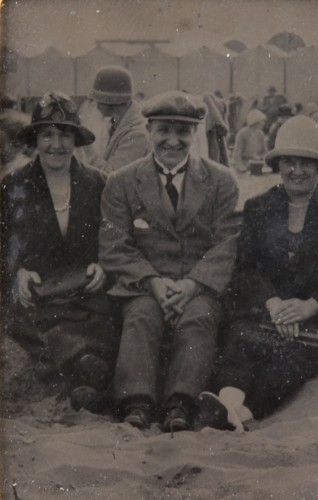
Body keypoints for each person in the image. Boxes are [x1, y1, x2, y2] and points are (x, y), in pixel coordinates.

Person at [99, 90, 240, 432]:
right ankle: (137, 402)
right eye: (164, 130)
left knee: (200, 318)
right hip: (145, 286)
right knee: (141, 316)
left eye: (183, 132)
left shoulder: (221, 180)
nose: (172, 141)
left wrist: (193, 284)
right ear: (148, 131)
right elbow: (114, 244)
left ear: (195, 135)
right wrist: (153, 282)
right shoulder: (121, 182)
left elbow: (228, 242)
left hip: (199, 286)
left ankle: (181, 402)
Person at [212, 115, 318, 422]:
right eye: (289, 162)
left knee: (290, 361)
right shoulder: (258, 206)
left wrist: (311, 306)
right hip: (268, 312)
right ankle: (227, 402)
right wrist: (274, 304)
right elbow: (246, 269)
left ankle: (246, 413)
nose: (296, 171)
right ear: (278, 164)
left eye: (306, 163)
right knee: (239, 341)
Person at [1, 91, 120, 413]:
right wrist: (17, 274)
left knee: (107, 315)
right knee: (32, 323)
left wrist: (104, 265)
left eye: (65, 134)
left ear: (76, 139)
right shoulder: (13, 186)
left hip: (85, 287)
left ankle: (87, 377)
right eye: (47, 134)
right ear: (35, 139)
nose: (57, 144)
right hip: (38, 291)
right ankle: (85, 372)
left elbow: (115, 236)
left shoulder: (98, 183)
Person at [83, 65, 150, 173]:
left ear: (110, 101)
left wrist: (87, 148)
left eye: (98, 100)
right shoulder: (119, 124)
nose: (96, 105)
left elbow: (110, 176)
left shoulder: (137, 135)